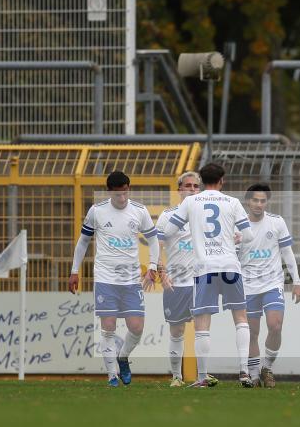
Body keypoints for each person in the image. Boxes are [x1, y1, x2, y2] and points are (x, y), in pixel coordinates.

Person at [163, 163, 254, 387]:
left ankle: (202, 377)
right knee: (241, 318)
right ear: (222, 180)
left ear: (202, 182)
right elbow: (249, 235)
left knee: (202, 324)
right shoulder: (232, 202)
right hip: (230, 266)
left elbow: (167, 232)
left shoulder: (191, 202)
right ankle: (244, 372)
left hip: (205, 268)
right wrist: (235, 238)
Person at [68, 171, 160, 387]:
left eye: (125, 192)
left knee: (136, 327)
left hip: (130, 279)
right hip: (105, 277)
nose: (122, 197)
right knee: (108, 327)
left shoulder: (139, 211)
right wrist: (74, 270)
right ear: (109, 191)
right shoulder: (97, 211)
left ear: (129, 188)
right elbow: (83, 242)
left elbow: (153, 240)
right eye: (117, 193)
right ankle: (111, 376)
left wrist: (153, 266)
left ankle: (123, 357)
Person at [238, 183, 300, 388]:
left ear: (267, 202)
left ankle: (267, 367)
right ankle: (254, 374)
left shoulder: (277, 222)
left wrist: (297, 282)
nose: (259, 204)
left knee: (275, 325)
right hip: (247, 285)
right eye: (255, 200)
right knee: (252, 332)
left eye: (263, 200)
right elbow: (232, 255)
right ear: (248, 201)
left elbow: (287, 253)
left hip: (272, 283)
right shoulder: (237, 225)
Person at [155, 171, 206, 387]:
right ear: (179, 189)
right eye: (188, 186)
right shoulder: (167, 216)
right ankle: (176, 376)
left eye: (196, 186)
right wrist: (162, 273)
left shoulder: (206, 215)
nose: (192, 189)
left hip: (200, 282)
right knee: (177, 332)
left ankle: (203, 376)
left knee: (203, 330)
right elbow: (155, 247)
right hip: (176, 283)